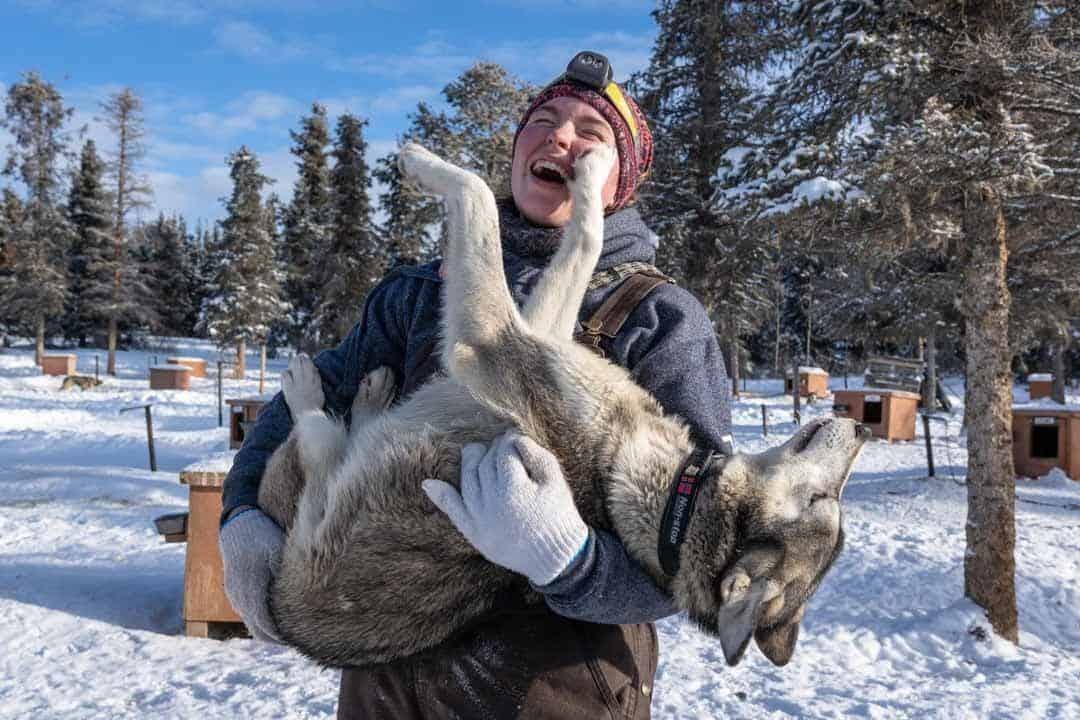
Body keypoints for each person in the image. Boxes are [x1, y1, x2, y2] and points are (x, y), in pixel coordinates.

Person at [219, 50, 732, 719]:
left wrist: (571, 561)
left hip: (553, 672)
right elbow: (319, 392)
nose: (560, 135)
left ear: (619, 184)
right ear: (517, 148)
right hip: (387, 648)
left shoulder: (662, 321)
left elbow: (694, 554)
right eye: (543, 120)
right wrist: (242, 518)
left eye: (591, 131)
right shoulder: (415, 291)